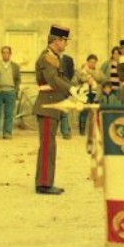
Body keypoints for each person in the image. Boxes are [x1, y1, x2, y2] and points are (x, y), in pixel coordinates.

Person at [33, 25, 79, 195]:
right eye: (64, 40)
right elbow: (53, 79)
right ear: (57, 40)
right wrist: (71, 90)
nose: (66, 44)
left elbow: (62, 78)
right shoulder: (47, 57)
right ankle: (43, 184)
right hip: (47, 105)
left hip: (52, 106)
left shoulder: (54, 57)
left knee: (49, 145)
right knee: (47, 147)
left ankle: (45, 182)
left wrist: (74, 90)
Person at [0, 46, 21, 139]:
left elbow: (18, 80)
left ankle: (7, 133)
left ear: (10, 54)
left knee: (9, 114)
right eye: (3, 53)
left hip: (10, 91)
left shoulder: (15, 66)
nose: (5, 54)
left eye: (7, 53)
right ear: (1, 54)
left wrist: (16, 90)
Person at [77, 54, 106, 135]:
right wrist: (87, 77)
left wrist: (92, 73)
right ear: (87, 62)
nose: (92, 64)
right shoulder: (82, 70)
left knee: (94, 112)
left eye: (94, 62)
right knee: (84, 111)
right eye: (91, 62)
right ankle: (82, 130)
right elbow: (80, 78)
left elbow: (102, 79)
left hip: (95, 93)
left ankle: (94, 130)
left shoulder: (98, 71)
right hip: (85, 93)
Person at [59, 53, 75, 139]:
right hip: (53, 88)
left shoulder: (68, 59)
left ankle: (65, 132)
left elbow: (71, 73)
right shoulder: (49, 58)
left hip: (64, 88)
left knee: (64, 110)